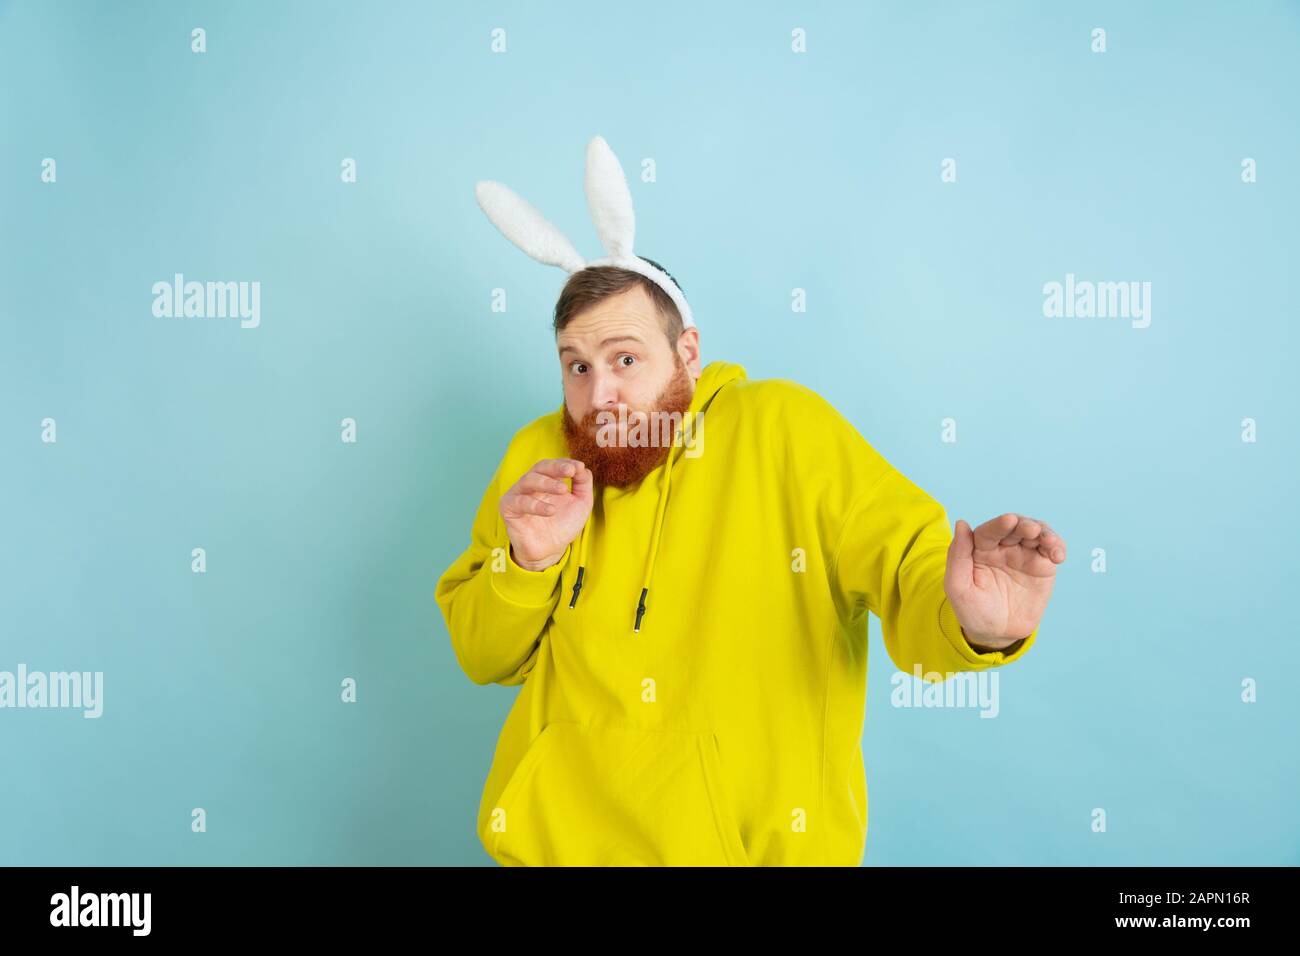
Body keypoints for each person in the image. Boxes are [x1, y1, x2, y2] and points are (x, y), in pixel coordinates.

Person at [435, 136, 1066, 866]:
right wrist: (528, 562)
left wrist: (974, 624)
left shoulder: (785, 429)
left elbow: (910, 567)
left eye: (625, 359)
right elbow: (483, 656)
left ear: (689, 352)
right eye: (576, 366)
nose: (598, 393)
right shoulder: (539, 459)